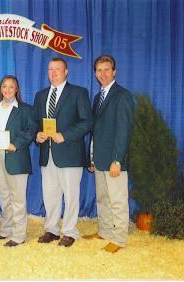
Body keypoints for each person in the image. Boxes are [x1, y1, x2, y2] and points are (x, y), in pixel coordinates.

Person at [33, 57, 93, 247]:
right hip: (47, 152)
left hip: (69, 153)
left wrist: (65, 135)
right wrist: (38, 134)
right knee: (49, 194)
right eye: (50, 69)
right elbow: (35, 122)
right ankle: (51, 230)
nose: (53, 73)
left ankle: (70, 232)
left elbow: (87, 122)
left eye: (57, 69)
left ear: (66, 71)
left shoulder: (78, 93)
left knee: (71, 195)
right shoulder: (41, 95)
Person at [83, 55, 134, 253]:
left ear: (114, 72)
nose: (102, 74)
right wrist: (92, 157)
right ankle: (104, 231)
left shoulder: (122, 96)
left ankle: (119, 239)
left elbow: (124, 131)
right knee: (103, 198)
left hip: (114, 160)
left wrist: (117, 160)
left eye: (106, 69)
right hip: (100, 159)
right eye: (99, 70)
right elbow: (96, 131)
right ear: (95, 73)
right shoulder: (98, 97)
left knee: (118, 200)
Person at [0, 75, 37, 247]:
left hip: (16, 158)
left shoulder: (25, 109)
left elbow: (31, 131)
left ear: (17, 89)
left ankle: (19, 235)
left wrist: (16, 144)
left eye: (11, 87)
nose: (7, 90)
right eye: (4, 86)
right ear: (0, 89)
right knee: (4, 196)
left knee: (18, 199)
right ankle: (6, 229)